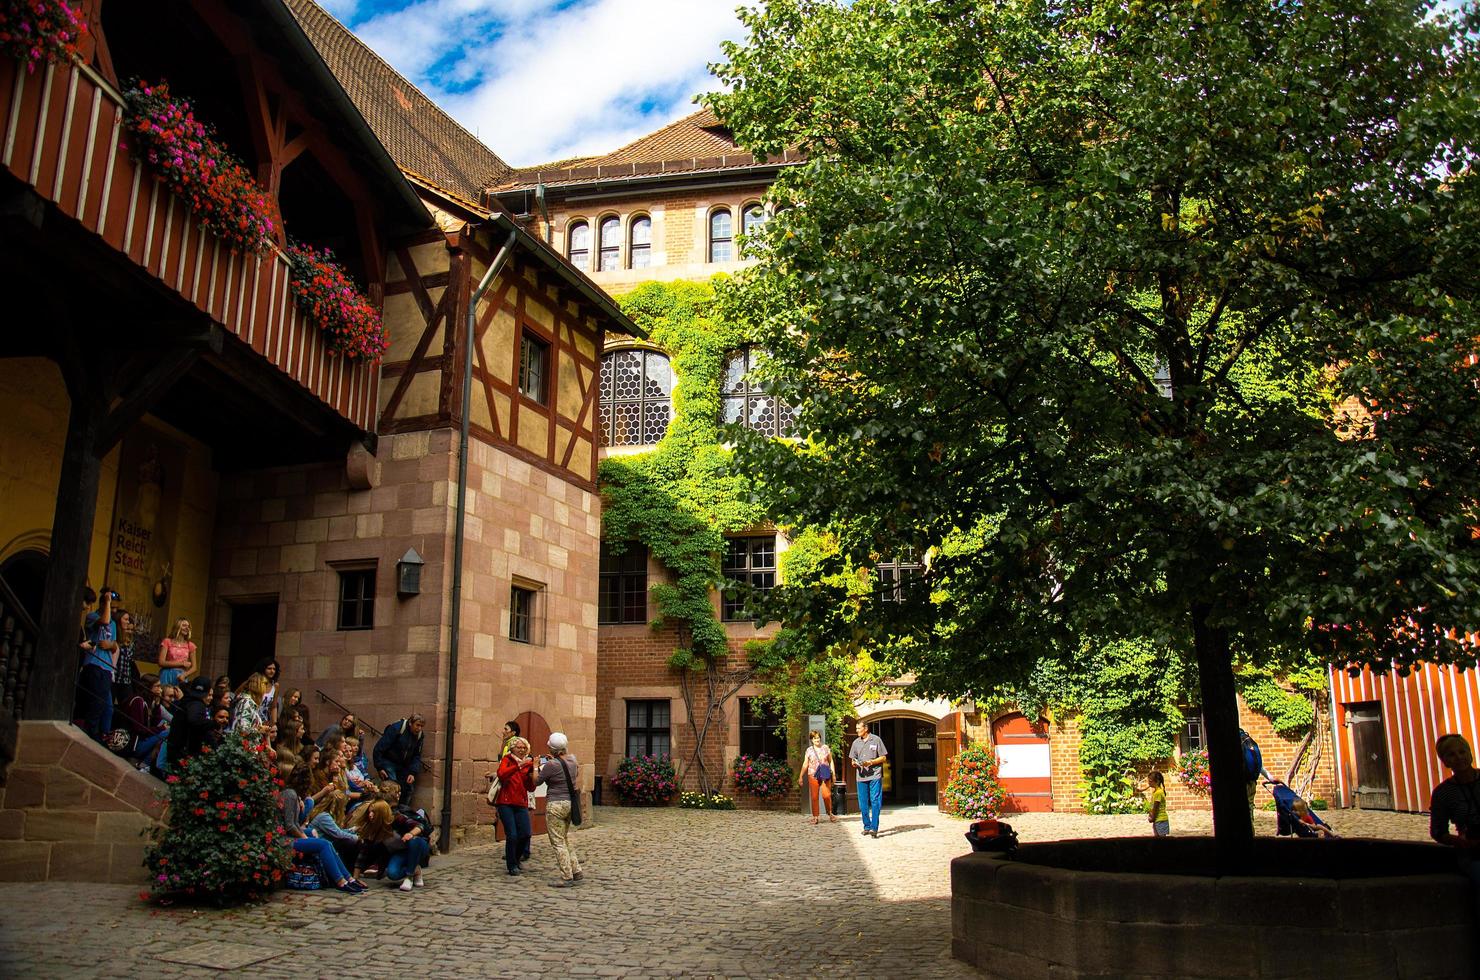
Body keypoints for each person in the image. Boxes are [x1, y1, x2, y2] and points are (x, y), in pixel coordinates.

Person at [283, 754, 365, 893]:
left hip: (293, 835)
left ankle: (348, 878)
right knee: (324, 844)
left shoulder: (295, 795)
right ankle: (340, 881)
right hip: (285, 840)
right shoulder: (290, 794)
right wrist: (305, 837)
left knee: (327, 844)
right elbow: (290, 825)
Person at [1430, 733, 1480, 906]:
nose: (1459, 757)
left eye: (1462, 752)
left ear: (1470, 753)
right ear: (1445, 762)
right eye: (1451, 754)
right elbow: (1438, 831)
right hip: (1473, 853)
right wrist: (1462, 842)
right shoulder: (1443, 793)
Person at [534, 732, 583, 888]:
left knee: (557, 841)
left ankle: (566, 876)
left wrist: (536, 767)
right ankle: (576, 870)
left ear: (551, 747)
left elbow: (537, 781)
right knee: (564, 838)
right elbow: (575, 774)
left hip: (555, 804)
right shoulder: (573, 760)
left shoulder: (551, 765)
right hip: (570, 803)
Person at [76, 587, 119, 743]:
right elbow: (104, 621)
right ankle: (90, 734)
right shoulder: (91, 617)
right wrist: (106, 600)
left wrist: (111, 644)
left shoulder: (114, 624)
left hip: (107, 667)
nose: (113, 609)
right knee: (95, 702)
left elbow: (115, 645)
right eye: (110, 606)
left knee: (107, 706)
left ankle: (102, 736)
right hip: (93, 664)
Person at [493, 736, 537, 876]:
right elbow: (501, 774)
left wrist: (534, 770)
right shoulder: (507, 760)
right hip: (505, 802)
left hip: (521, 802)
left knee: (525, 833)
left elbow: (530, 787)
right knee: (512, 835)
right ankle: (511, 865)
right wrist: (517, 766)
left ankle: (516, 859)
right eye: (519, 747)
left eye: (524, 748)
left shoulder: (528, 764)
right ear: (512, 748)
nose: (522, 750)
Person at [374, 714, 425, 806]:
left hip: (404, 765)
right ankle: (388, 810)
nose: (419, 729)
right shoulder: (397, 728)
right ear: (410, 723)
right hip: (389, 761)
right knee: (392, 787)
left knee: (407, 788)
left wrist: (412, 772)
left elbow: (417, 755)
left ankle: (402, 810)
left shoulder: (419, 736)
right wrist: (379, 766)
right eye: (417, 725)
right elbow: (380, 747)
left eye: (421, 726)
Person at [849, 720, 888, 838]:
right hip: (861, 776)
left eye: (858, 728)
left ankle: (874, 828)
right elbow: (852, 760)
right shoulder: (855, 743)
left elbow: (883, 757)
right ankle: (867, 826)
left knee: (875, 801)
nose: (856, 731)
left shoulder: (876, 740)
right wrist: (855, 763)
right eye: (856, 729)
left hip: (875, 775)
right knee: (862, 803)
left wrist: (871, 762)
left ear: (865, 729)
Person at [165, 678, 213, 769]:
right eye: (209, 694)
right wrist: (213, 724)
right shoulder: (197, 704)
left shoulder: (185, 700)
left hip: (175, 747)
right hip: (184, 751)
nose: (211, 697)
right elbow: (194, 720)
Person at [798, 730, 838, 824]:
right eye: (814, 738)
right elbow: (805, 763)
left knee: (826, 795)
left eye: (818, 737)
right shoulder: (809, 750)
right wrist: (800, 776)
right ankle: (815, 817)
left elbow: (831, 760)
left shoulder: (825, 748)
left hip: (824, 774)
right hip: (813, 774)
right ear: (811, 740)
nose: (817, 739)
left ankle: (830, 813)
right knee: (814, 796)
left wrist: (834, 774)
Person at [156, 618, 198, 689]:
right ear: (177, 626)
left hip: (181, 676)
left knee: (179, 697)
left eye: (188, 626)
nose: (187, 628)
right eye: (184, 625)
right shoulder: (167, 641)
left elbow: (194, 667)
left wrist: (184, 675)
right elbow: (161, 662)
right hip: (166, 674)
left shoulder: (190, 645)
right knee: (164, 696)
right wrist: (182, 663)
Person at [111, 609, 139, 705]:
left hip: (126, 679)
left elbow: (130, 661)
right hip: (114, 677)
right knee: (109, 703)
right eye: (128, 629)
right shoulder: (116, 638)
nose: (129, 631)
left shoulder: (131, 643)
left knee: (127, 706)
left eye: (131, 629)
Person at [257, 659, 280, 726]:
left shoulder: (275, 686)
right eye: (269, 668)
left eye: (274, 669)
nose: (272, 671)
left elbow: (274, 706)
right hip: (252, 717)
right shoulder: (255, 682)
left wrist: (274, 723)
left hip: (265, 720)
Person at [1147, 771, 1169, 836]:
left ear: (1157, 781)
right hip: (1158, 820)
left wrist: (1152, 817)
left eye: (1150, 781)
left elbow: (1156, 807)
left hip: (1160, 820)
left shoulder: (1158, 793)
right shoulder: (1156, 792)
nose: (1149, 783)